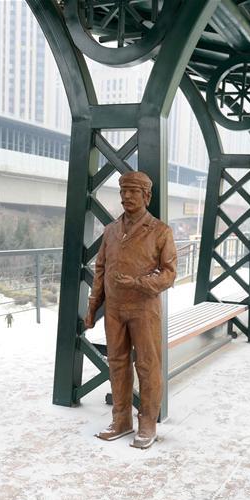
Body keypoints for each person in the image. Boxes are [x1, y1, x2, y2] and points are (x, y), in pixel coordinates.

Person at [84, 171, 177, 450]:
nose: (126, 196)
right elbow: (100, 269)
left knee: (148, 365)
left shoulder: (160, 231)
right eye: (123, 191)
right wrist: (93, 306)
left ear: (146, 196)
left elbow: (170, 273)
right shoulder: (111, 231)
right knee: (117, 363)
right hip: (114, 309)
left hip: (144, 308)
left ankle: (148, 423)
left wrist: (139, 283)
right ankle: (120, 420)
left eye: (133, 191)